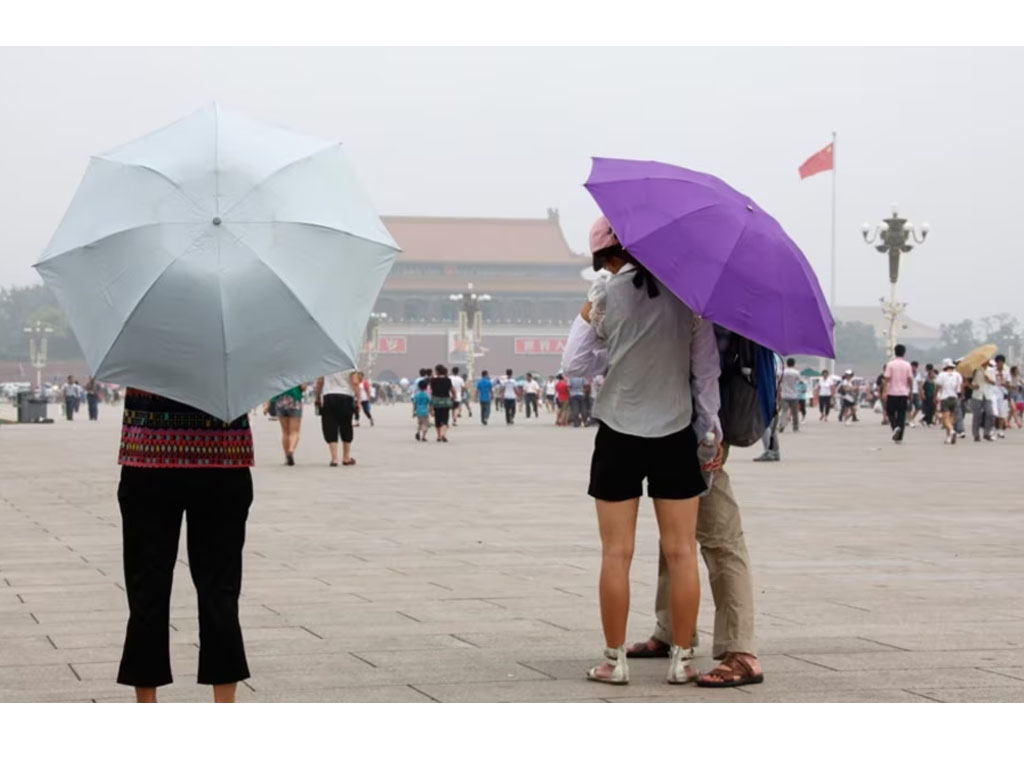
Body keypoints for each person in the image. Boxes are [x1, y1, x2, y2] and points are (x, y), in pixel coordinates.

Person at [563, 216, 721, 685]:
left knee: (616, 553)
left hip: (617, 431)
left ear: (612, 257)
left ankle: (614, 662)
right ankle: (683, 661)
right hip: (674, 431)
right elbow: (704, 374)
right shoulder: (691, 297)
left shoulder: (605, 293)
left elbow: (573, 364)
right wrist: (710, 433)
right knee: (681, 553)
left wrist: (598, 319)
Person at [116, 387, 255, 703]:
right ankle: (224, 704)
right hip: (223, 462)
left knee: (146, 592)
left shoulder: (136, 339)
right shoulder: (232, 343)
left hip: (148, 461)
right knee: (220, 592)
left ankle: (147, 704)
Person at [314, 369, 360, 466]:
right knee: (346, 426)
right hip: (346, 397)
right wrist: (358, 400)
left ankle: (334, 459)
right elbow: (355, 382)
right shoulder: (350, 363)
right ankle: (346, 458)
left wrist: (317, 397)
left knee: (330, 426)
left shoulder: (326, 363)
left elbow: (320, 382)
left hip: (329, 397)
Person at [264, 384, 304, 465]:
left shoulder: (278, 372)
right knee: (294, 432)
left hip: (281, 402)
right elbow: (303, 387)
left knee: (285, 432)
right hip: (294, 401)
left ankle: (287, 456)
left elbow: (272, 388)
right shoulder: (298, 373)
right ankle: (291, 450)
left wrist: (267, 405)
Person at [882, 344, 914, 443]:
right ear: (904, 353)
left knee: (890, 412)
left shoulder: (890, 364)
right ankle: (899, 437)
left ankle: (895, 427)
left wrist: (884, 391)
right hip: (903, 393)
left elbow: (887, 379)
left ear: (895, 352)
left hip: (892, 393)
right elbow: (910, 379)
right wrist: (911, 391)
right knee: (902, 414)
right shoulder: (907, 365)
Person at [934, 359, 962, 445]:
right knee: (951, 419)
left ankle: (952, 431)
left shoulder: (942, 375)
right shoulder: (957, 375)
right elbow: (960, 387)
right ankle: (948, 437)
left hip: (945, 398)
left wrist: (935, 396)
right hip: (954, 398)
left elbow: (938, 386)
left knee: (945, 419)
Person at [969, 360, 996, 442]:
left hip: (988, 395)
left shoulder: (991, 370)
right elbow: (972, 382)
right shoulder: (976, 370)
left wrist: (989, 380)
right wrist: (973, 385)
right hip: (977, 395)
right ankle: (976, 435)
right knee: (977, 415)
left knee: (990, 413)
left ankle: (986, 433)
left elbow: (994, 382)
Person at [430, 364, 454, 442]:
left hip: (436, 401)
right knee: (445, 419)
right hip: (445, 401)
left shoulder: (433, 380)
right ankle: (443, 434)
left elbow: (431, 391)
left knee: (437, 419)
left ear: (437, 371)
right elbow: (452, 390)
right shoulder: (448, 380)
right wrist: (453, 397)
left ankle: (439, 436)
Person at [778, 359, 801, 432]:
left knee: (784, 411)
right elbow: (799, 381)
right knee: (795, 412)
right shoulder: (796, 373)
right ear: (794, 364)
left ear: (787, 364)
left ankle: (782, 425)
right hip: (794, 395)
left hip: (785, 395)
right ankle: (795, 427)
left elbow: (779, 379)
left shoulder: (783, 372)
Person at [993, 355, 1010, 439]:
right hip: (994, 393)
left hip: (1003, 393)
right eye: (998, 362)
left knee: (1001, 413)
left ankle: (1000, 430)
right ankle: (992, 430)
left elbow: (1009, 384)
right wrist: (996, 377)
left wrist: (1003, 380)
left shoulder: (1006, 372)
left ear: (1003, 363)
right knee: (994, 412)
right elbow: (990, 381)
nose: (999, 364)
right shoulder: (992, 371)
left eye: (1001, 362)